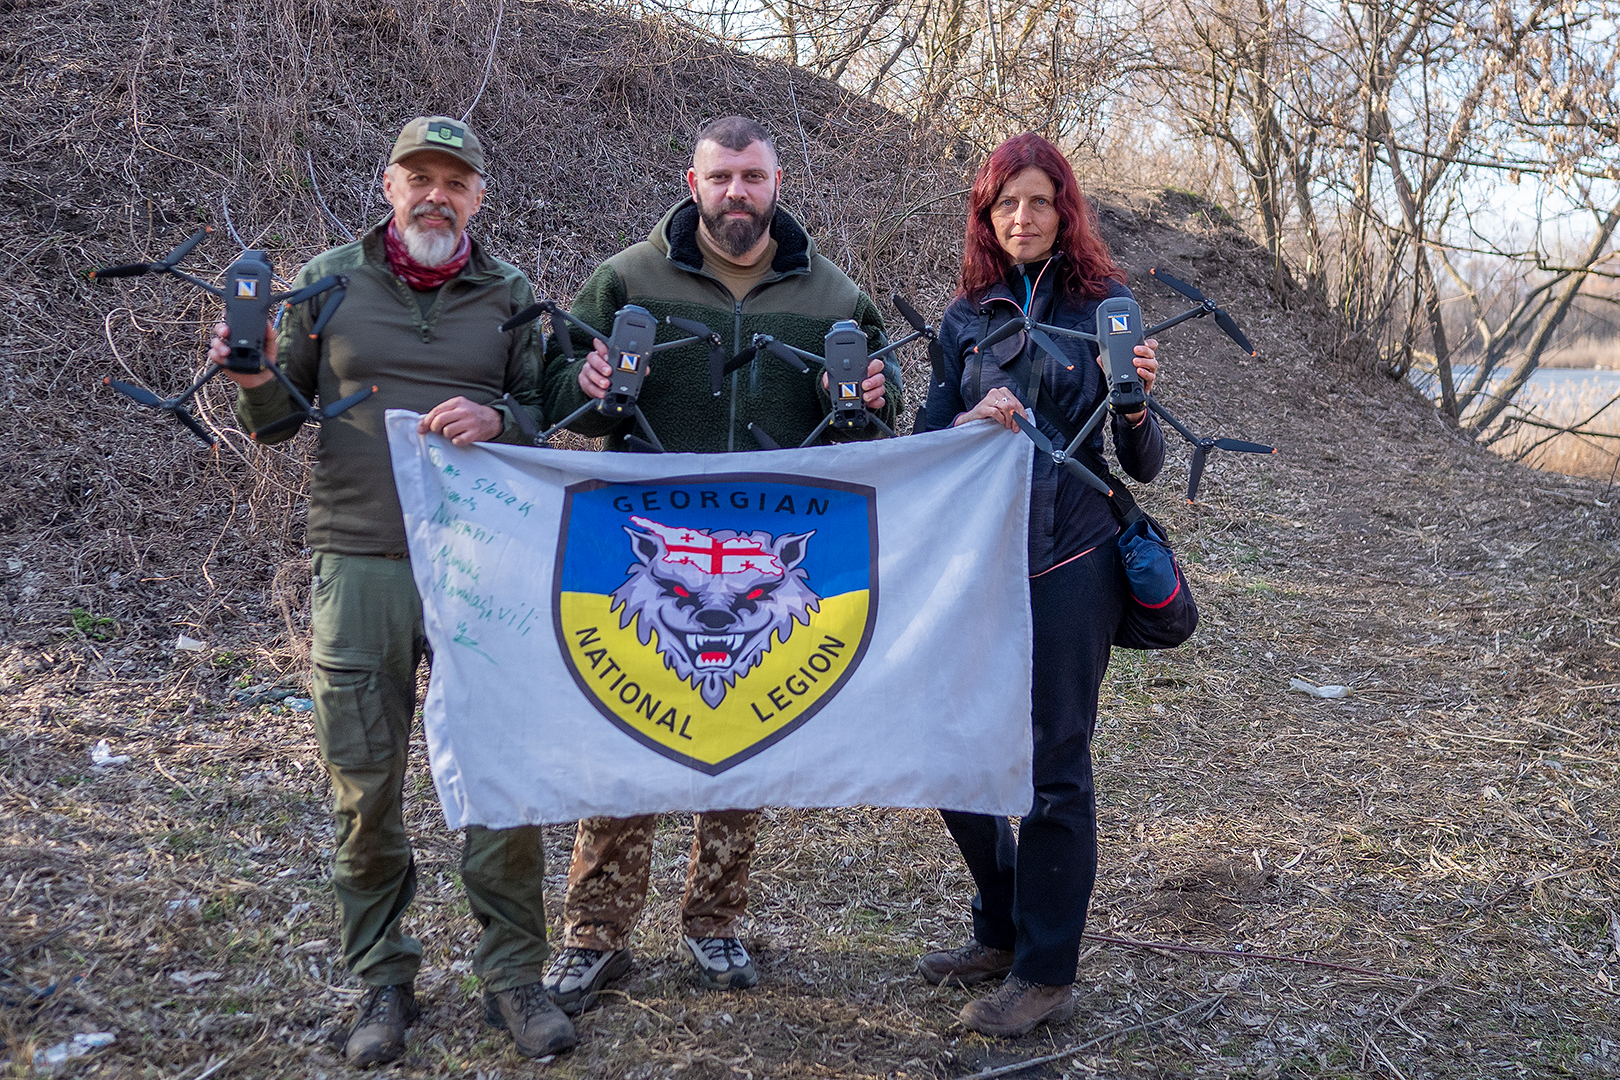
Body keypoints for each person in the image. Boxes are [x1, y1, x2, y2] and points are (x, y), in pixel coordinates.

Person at [209, 116, 575, 1065]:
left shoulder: (510, 293)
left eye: (455, 182)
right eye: (420, 177)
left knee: (499, 773)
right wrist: (246, 372)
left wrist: (501, 414)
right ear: (388, 184)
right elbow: (276, 420)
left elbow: (550, 409)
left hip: (482, 565)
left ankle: (513, 978)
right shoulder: (329, 280)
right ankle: (381, 978)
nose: (436, 196)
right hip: (361, 560)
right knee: (364, 782)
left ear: (478, 197)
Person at [536, 115, 901, 1012]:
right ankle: (594, 936)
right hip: (649, 550)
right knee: (630, 730)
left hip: (756, 564)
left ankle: (716, 922)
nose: (738, 192)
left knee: (737, 739)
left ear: (779, 182)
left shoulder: (835, 297)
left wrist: (864, 406)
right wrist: (577, 387)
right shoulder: (627, 277)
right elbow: (548, 396)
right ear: (692, 181)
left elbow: (876, 435)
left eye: (754, 176)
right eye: (722, 177)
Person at [914, 132, 1163, 1037]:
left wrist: (1131, 400)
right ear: (988, 215)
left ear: (1065, 211)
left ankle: (1047, 971)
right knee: (951, 747)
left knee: (1054, 764)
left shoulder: (1107, 306)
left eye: (1040, 201)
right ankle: (1001, 925)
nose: (1022, 217)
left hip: (1073, 554)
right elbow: (925, 443)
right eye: (1006, 203)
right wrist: (972, 418)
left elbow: (1144, 459)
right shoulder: (965, 319)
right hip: (980, 554)